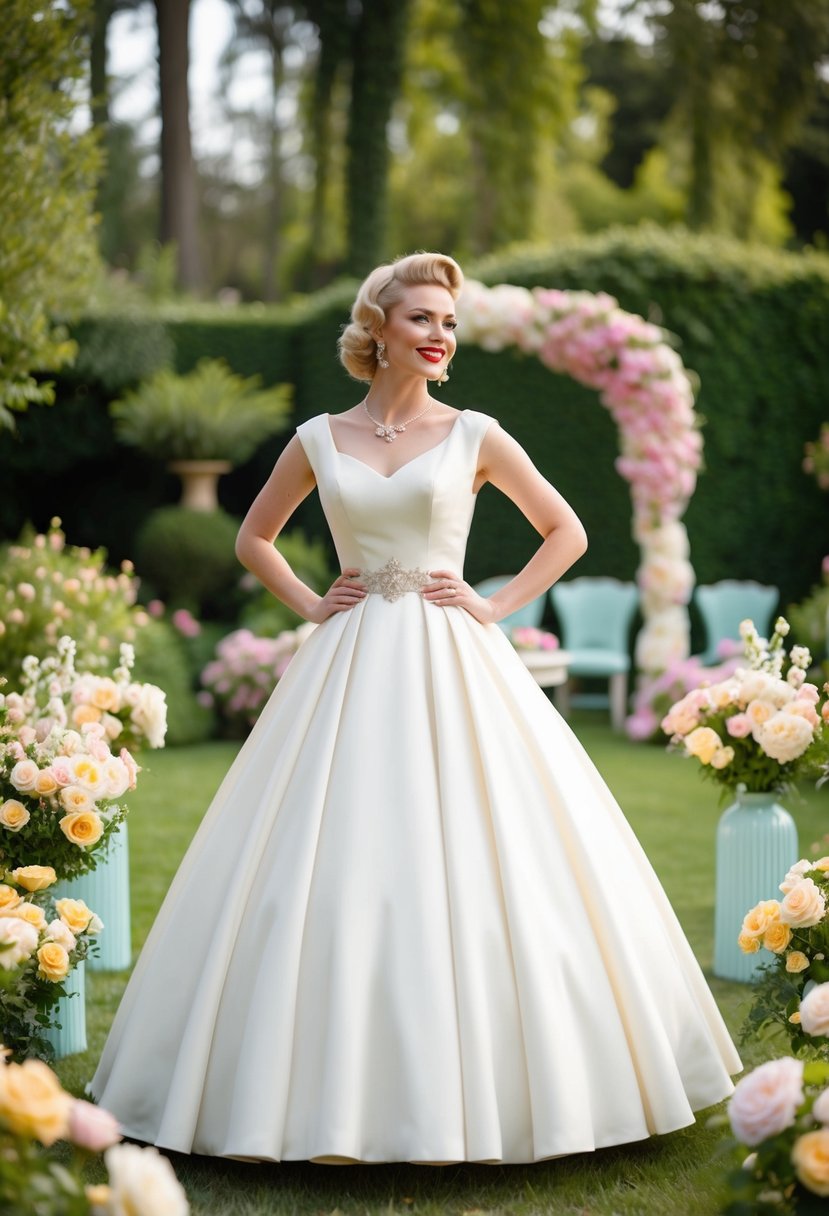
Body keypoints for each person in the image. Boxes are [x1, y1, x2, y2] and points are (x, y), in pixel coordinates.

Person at [90, 251, 740, 1165]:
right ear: (377, 329)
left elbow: (568, 531)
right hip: (350, 661)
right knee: (330, 848)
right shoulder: (320, 437)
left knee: (494, 846)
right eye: (422, 319)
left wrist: (493, 603)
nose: (440, 336)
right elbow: (253, 537)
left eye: (449, 323)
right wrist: (313, 603)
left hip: (452, 654)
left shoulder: (475, 432)